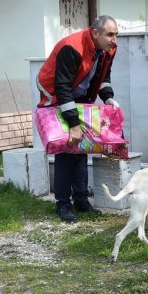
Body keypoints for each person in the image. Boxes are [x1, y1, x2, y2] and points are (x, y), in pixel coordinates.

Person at [37, 15, 120, 223]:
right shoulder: (71, 47)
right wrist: (74, 124)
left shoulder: (108, 49)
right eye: (110, 34)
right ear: (95, 33)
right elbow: (62, 87)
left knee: (82, 148)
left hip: (79, 96)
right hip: (57, 94)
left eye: (116, 34)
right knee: (67, 149)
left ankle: (81, 200)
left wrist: (108, 98)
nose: (114, 40)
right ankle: (63, 204)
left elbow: (103, 77)